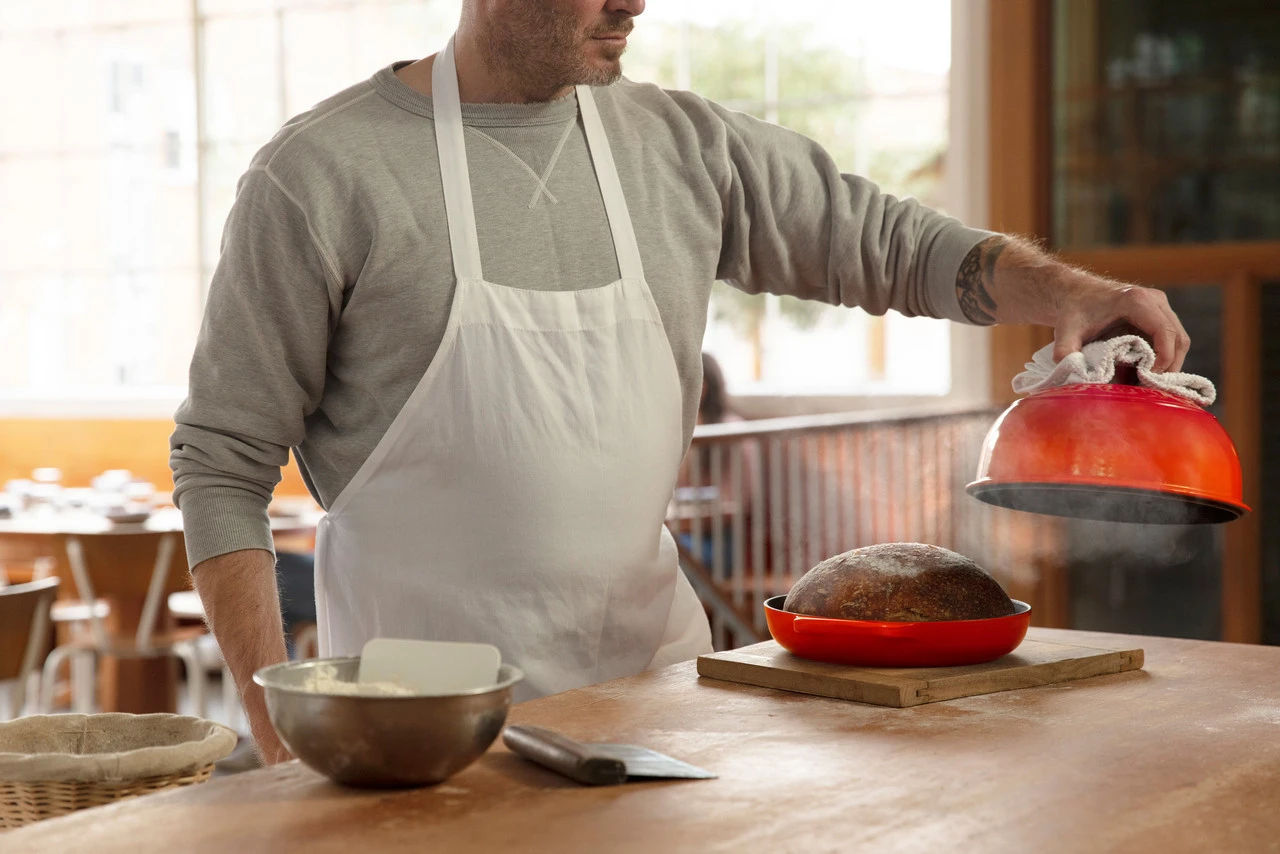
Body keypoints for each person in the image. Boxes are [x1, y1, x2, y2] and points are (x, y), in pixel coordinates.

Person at [169, 0, 1191, 764]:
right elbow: (222, 461)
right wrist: (276, 735)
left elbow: (887, 243)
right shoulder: (319, 175)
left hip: (658, 707)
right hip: (420, 736)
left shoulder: (681, 147)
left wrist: (1063, 289)